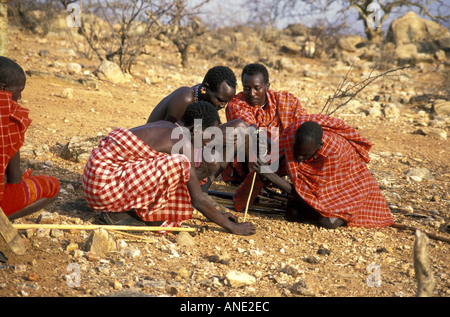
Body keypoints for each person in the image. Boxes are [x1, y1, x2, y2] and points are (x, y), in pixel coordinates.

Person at [82, 101, 255, 236]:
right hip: (102, 190)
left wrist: (219, 214)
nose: (209, 141)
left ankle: (124, 209)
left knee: (178, 170)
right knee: (179, 164)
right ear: (195, 129)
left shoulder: (168, 126)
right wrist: (232, 227)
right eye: (209, 135)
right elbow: (197, 199)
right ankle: (116, 214)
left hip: (93, 182)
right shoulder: (182, 143)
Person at [253, 114, 394, 229]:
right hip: (321, 196)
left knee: (327, 223)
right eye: (297, 153)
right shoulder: (291, 140)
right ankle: (314, 210)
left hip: (350, 192)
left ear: (319, 146)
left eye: (304, 155)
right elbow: (303, 186)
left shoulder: (333, 152)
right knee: (292, 214)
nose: (299, 159)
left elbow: (317, 192)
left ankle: (325, 213)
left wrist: (270, 176)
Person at [224, 63, 308, 212]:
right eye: (246, 88)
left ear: (267, 86)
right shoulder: (237, 104)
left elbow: (302, 124)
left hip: (283, 156)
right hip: (251, 160)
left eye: (257, 88)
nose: (252, 93)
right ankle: (256, 183)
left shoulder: (285, 101)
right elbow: (253, 134)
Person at [0, 56, 60, 221]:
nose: (19, 97)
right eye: (19, 90)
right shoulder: (8, 115)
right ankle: (3, 221)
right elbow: (15, 178)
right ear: (4, 88)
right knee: (52, 185)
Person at [147, 65, 237, 124]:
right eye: (220, 100)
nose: (223, 105)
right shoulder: (185, 99)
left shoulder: (202, 97)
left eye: (226, 102)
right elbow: (168, 136)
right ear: (204, 89)